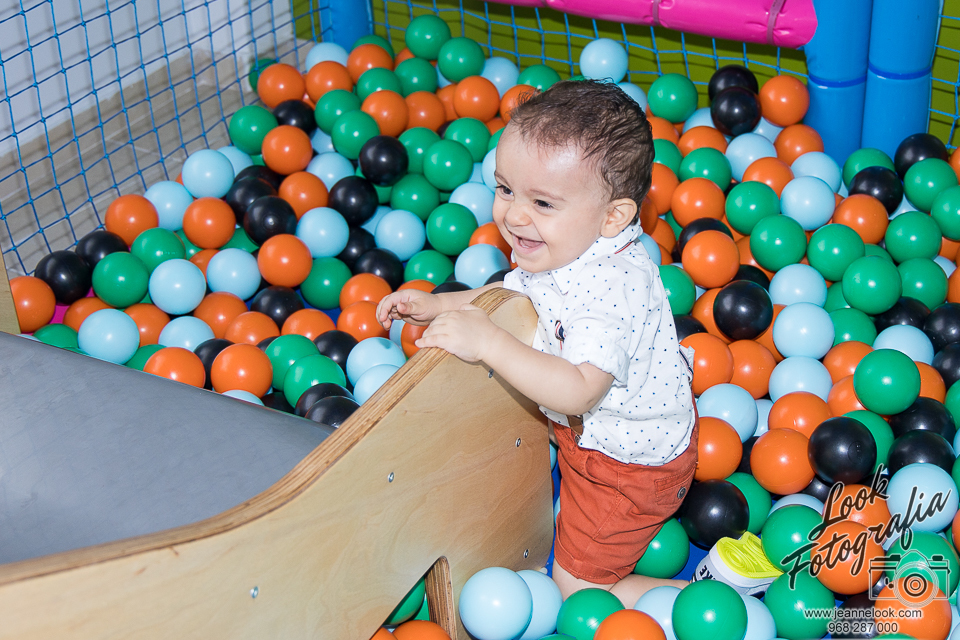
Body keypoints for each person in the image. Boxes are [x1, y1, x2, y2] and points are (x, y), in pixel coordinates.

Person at [376, 79, 698, 607]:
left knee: (576, 591)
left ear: (613, 216)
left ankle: (712, 593)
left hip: (629, 465)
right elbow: (513, 294)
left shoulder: (610, 291)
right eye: (505, 189)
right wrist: (438, 304)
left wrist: (488, 344)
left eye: (543, 202)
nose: (514, 215)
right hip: (585, 435)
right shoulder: (563, 246)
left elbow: (577, 393)